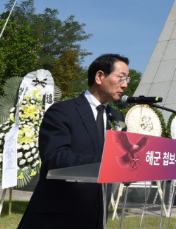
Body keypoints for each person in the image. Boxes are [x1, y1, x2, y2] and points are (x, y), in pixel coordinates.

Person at [18, 54, 129, 229]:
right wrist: (110, 162)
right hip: (58, 217)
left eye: (126, 79)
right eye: (121, 78)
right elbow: (55, 158)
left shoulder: (117, 117)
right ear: (99, 76)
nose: (125, 85)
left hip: (95, 216)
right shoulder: (62, 111)